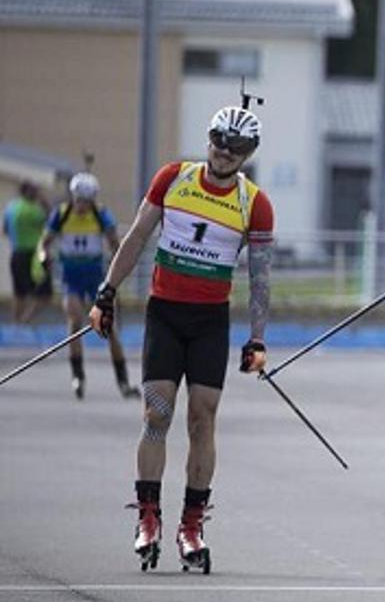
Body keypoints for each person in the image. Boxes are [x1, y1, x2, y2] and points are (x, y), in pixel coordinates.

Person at [88, 104, 274, 573]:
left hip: (211, 322)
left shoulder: (255, 203)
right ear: (208, 138)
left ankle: (192, 527)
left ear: (249, 153)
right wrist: (106, 294)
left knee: (202, 420)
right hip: (166, 314)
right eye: (219, 141)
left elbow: (260, 279)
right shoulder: (173, 178)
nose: (225, 153)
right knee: (157, 413)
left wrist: (257, 340)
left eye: (237, 148)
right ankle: (148, 518)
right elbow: (134, 238)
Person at [37, 172, 141, 399]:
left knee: (109, 328)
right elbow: (44, 243)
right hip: (71, 278)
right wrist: (44, 257)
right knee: (74, 322)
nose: (82, 205)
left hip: (96, 278)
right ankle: (78, 376)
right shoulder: (62, 215)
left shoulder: (100, 214)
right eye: (79, 199)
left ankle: (123, 382)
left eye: (87, 200)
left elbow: (115, 243)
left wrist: (118, 267)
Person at [4, 180, 51, 322]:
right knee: (44, 293)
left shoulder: (11, 208)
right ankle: (26, 320)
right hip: (34, 255)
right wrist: (44, 202)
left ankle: (17, 323)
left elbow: (5, 230)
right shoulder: (34, 210)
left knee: (19, 293)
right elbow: (52, 222)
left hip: (17, 253)